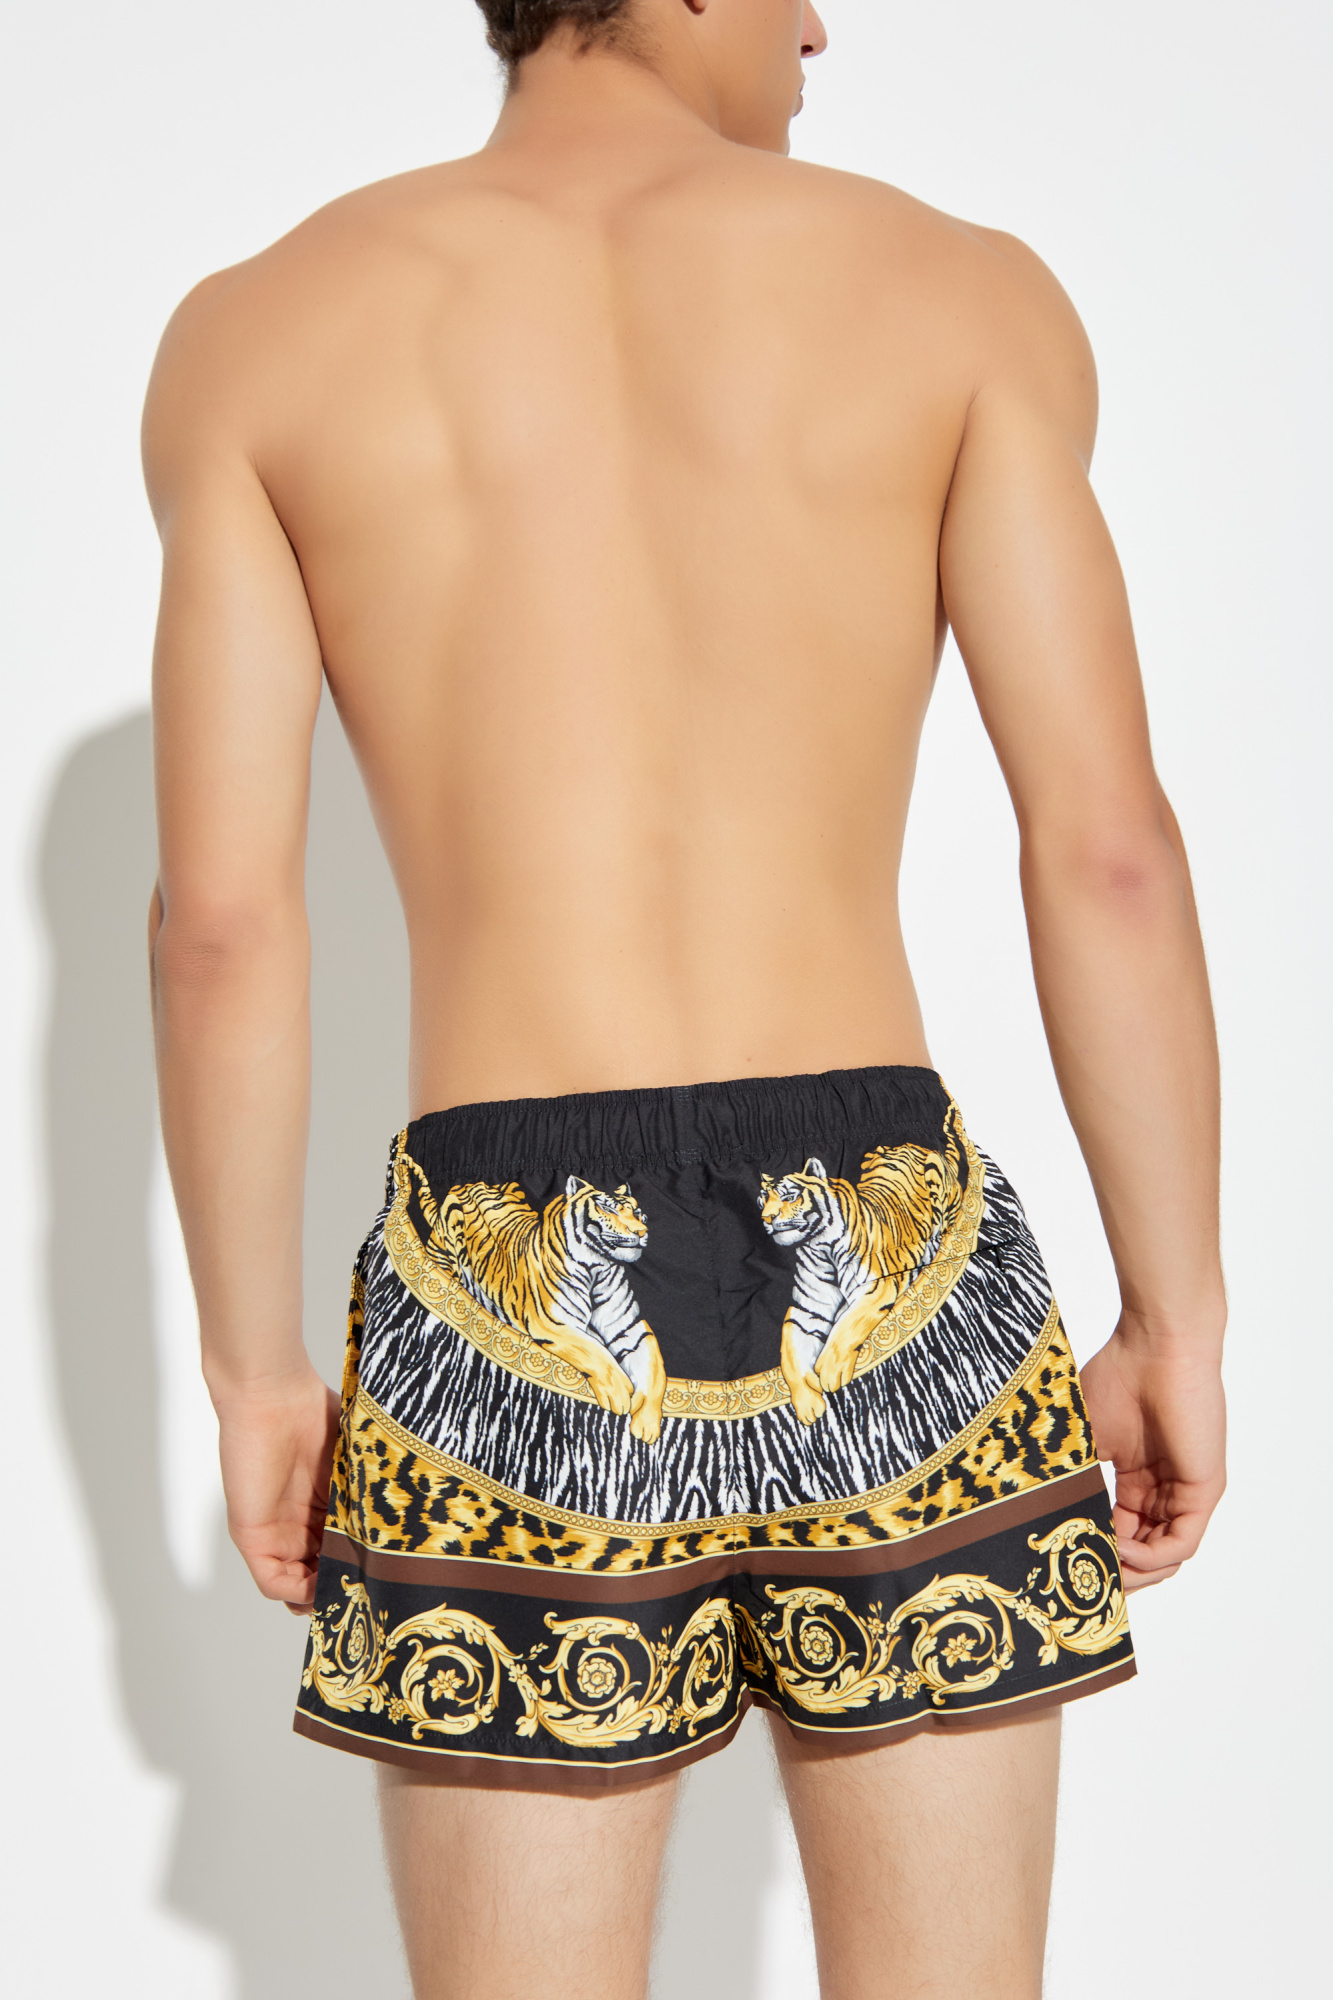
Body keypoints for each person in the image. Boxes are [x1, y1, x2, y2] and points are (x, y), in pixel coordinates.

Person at [143, 2, 1227, 1994]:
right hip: (890, 1255)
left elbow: (220, 921)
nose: (818, 26)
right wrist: (1176, 1311)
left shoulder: (260, 334)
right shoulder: (957, 296)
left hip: (502, 1286)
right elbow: (1106, 853)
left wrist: (252, 1371)